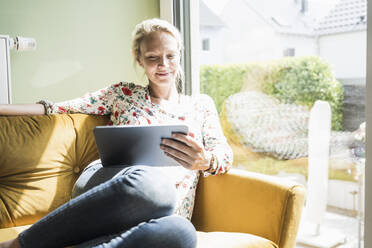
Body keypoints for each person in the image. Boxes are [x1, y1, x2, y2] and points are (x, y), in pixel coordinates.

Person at [0, 18, 233, 248]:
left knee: (182, 232)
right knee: (156, 184)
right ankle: (19, 244)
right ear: (139, 60)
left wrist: (206, 160)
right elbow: (58, 107)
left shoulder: (201, 105)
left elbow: (224, 155)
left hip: (158, 217)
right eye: (153, 57)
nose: (163, 64)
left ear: (179, 55)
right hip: (108, 184)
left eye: (170, 56)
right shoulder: (122, 93)